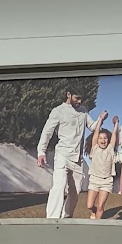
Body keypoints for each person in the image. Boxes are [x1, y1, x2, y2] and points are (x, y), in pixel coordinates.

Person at [36, 88, 90, 219]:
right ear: (68, 95)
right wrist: (41, 152)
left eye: (81, 98)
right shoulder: (58, 111)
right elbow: (47, 132)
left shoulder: (83, 111)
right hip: (62, 155)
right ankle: (52, 219)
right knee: (59, 186)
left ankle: (66, 217)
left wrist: (101, 119)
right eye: (77, 98)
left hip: (77, 159)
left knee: (75, 191)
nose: (79, 101)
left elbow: (92, 126)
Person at [85, 114, 120, 218]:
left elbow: (114, 135)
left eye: (105, 138)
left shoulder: (110, 149)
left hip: (107, 181)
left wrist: (116, 124)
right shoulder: (94, 149)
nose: (103, 140)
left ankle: (97, 225)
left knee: (101, 206)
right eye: (100, 138)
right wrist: (100, 119)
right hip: (94, 180)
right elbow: (96, 133)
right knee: (89, 205)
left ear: (108, 140)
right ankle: (93, 211)